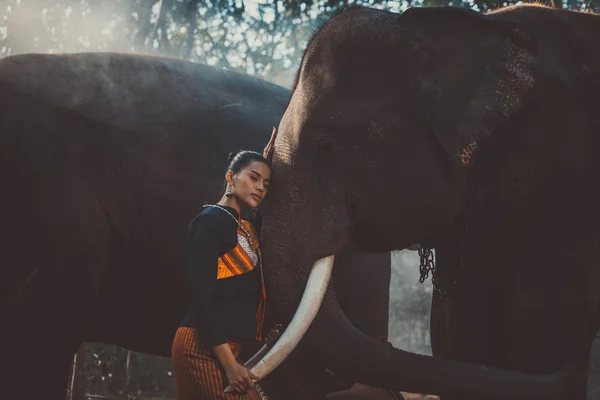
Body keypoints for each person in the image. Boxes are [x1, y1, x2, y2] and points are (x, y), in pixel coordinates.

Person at [172, 148, 273, 400]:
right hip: (200, 349)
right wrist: (229, 364)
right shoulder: (210, 221)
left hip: (228, 352)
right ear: (231, 177)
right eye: (253, 178)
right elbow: (202, 295)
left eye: (266, 183)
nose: (260, 187)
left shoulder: (246, 226)